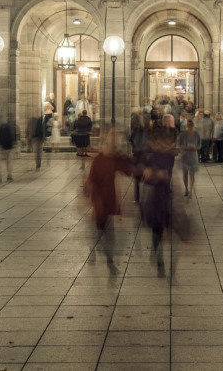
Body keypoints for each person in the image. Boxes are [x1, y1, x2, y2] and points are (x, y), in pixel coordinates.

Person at [83, 127, 133, 274]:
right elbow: (91, 180)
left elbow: (128, 169)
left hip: (108, 198)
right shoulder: (99, 160)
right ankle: (104, 258)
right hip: (99, 201)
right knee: (102, 231)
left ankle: (106, 259)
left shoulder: (115, 158)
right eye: (112, 140)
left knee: (106, 233)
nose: (114, 143)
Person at [139, 126, 177, 277]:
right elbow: (143, 174)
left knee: (168, 228)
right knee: (157, 229)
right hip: (154, 196)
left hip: (165, 194)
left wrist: (158, 174)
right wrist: (149, 173)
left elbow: (168, 174)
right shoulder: (149, 155)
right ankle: (159, 259)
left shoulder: (169, 155)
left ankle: (163, 261)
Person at [178, 119, 201, 197]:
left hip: (193, 155)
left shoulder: (196, 134)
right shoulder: (183, 135)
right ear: (186, 126)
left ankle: (191, 189)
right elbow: (179, 145)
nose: (190, 127)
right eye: (188, 125)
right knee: (185, 173)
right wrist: (185, 147)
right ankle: (186, 189)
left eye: (191, 125)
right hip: (185, 155)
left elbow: (199, 145)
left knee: (192, 174)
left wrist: (195, 148)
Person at [0, 114, 17, 183]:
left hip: (1, 147)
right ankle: (9, 176)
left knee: (0, 163)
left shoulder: (0, 127)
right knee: (9, 162)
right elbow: (12, 138)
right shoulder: (10, 127)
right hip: (8, 148)